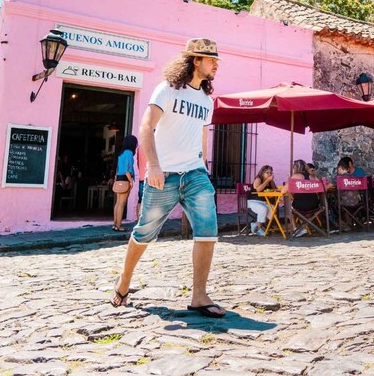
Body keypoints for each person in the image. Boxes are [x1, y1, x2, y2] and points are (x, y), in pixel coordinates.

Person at [110, 37, 224, 318]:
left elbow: (202, 136)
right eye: (211, 60)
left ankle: (199, 295)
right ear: (195, 60)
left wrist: (205, 167)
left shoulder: (206, 101)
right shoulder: (168, 90)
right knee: (145, 232)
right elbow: (146, 126)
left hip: (195, 173)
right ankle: (124, 281)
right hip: (165, 174)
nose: (216, 65)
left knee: (208, 229)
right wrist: (153, 166)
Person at [288, 159, 321, 237]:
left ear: (295, 168)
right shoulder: (312, 177)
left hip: (300, 205)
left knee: (288, 207)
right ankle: (303, 227)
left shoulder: (295, 177)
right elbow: (320, 187)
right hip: (314, 205)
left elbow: (283, 191)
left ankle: (296, 229)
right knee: (299, 209)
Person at [113, 135, 138, 232]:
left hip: (119, 178)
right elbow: (128, 169)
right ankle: (119, 226)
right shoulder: (129, 153)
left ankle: (115, 224)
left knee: (118, 203)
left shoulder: (121, 153)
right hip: (125, 179)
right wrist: (131, 181)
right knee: (122, 204)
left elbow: (118, 168)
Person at [249, 166, 276, 236]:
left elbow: (275, 189)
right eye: (267, 172)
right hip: (253, 201)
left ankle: (255, 224)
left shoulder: (270, 181)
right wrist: (267, 180)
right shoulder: (258, 179)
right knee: (263, 209)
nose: (269, 174)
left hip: (264, 201)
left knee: (273, 209)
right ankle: (259, 228)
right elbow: (258, 189)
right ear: (262, 173)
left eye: (270, 173)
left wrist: (271, 181)